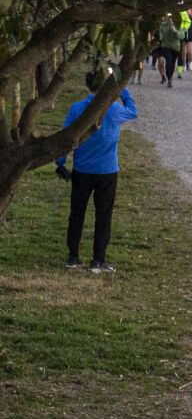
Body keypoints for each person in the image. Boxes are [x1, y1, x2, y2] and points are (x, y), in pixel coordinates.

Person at [54, 71, 138, 273]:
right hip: (107, 171)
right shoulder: (115, 110)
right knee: (103, 215)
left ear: (87, 85)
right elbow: (133, 111)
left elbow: (66, 139)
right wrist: (122, 89)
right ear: (107, 87)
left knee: (77, 213)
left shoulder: (76, 109)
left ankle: (73, 257)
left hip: (82, 169)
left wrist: (61, 163)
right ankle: (97, 260)